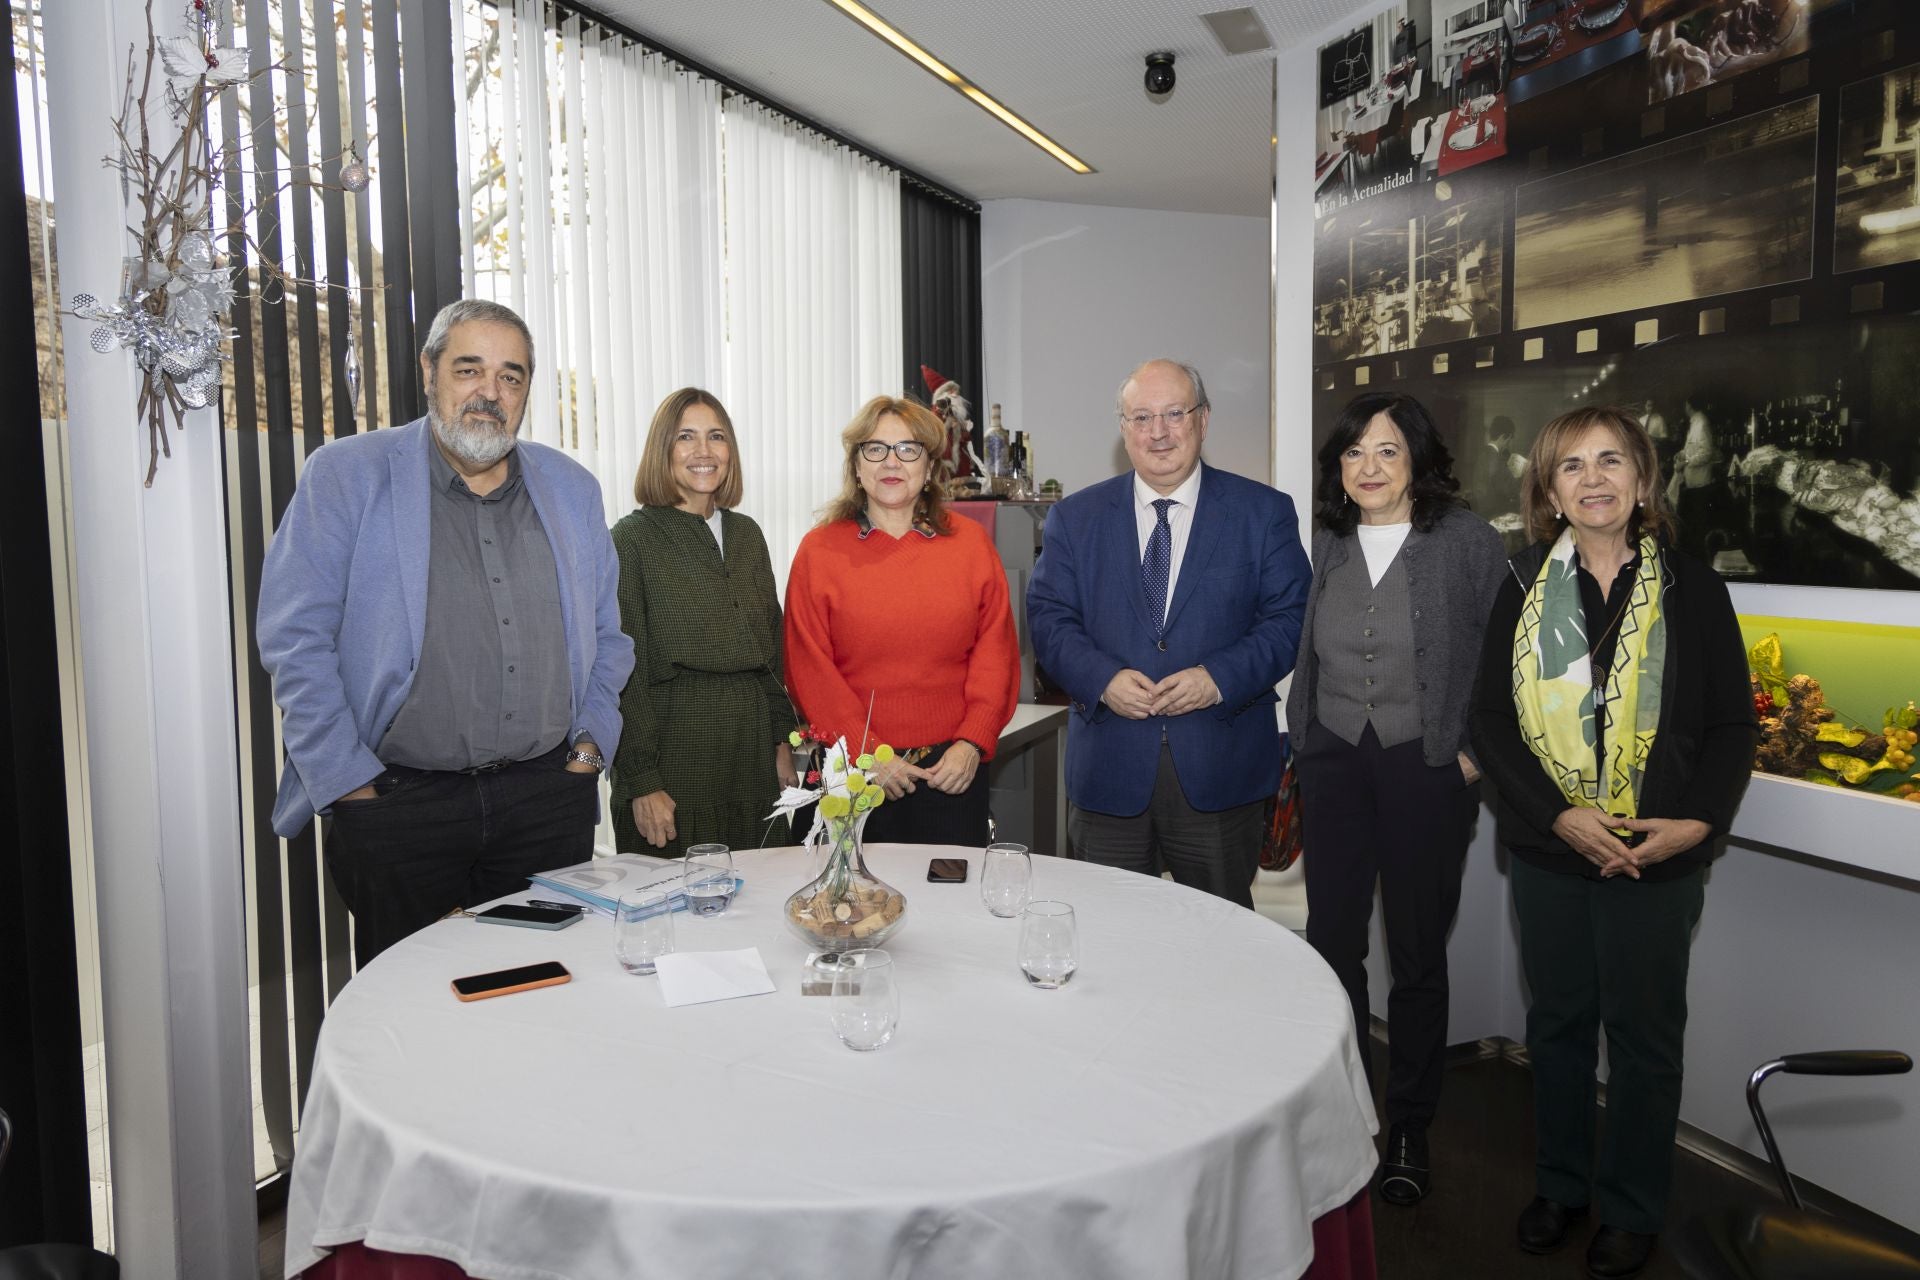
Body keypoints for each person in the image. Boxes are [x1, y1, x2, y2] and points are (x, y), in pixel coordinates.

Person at [258, 299, 634, 964]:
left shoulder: (572, 490)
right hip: (402, 808)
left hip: (548, 802)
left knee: (543, 999)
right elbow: (296, 643)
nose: (491, 392)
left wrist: (586, 754)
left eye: (512, 376)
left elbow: (610, 638)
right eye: (470, 369)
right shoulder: (346, 476)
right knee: (417, 1024)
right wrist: (353, 788)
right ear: (430, 371)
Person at [1470, 406, 1755, 1279]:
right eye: (1571, 467)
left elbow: (1731, 725)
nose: (1592, 480)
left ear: (1642, 479)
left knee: (1643, 1038)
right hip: (1555, 851)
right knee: (1555, 1028)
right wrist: (1559, 815)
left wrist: (1696, 825)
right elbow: (1491, 721)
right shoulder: (1521, 583)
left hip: (1657, 854)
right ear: (1548, 490)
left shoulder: (1694, 589)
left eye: (1610, 462)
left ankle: (1632, 1206)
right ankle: (1561, 1186)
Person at [1286, 392, 1506, 1207]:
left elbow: (1509, 652)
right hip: (1335, 761)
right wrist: (1304, 738)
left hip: (1425, 767)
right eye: (1353, 453)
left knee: (1416, 955)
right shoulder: (1330, 542)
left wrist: (1475, 756)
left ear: (1417, 459)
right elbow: (1311, 649)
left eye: (1385, 451)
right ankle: (1344, 1112)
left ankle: (1410, 1124)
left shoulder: (1467, 543)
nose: (1368, 468)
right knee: (1333, 945)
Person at [1027, 359, 1311, 908]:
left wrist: (1217, 678)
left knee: (1219, 950)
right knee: (1108, 946)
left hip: (1220, 772)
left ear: (1203, 420)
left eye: (1174, 413)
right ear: (1123, 429)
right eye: (1141, 417)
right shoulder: (1075, 518)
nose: (1158, 432)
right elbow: (1048, 617)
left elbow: (1289, 618)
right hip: (1110, 774)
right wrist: (1103, 679)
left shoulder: (1263, 513)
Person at [784, 396, 1019, 846]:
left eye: (908, 449)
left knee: (949, 910)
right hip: (852, 775)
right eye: (875, 449)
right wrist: (868, 753)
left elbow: (997, 654)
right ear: (856, 466)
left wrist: (973, 742)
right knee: (846, 914)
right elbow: (808, 668)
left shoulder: (971, 546)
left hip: (949, 774)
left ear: (929, 467)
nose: (892, 461)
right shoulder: (820, 551)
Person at [609, 389, 796, 857]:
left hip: (751, 750)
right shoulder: (631, 540)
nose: (703, 451)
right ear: (662, 451)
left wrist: (780, 743)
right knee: (679, 908)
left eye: (716, 436)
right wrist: (642, 781)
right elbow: (621, 673)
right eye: (685, 437)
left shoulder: (747, 534)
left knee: (763, 900)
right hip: (675, 753)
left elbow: (771, 647)